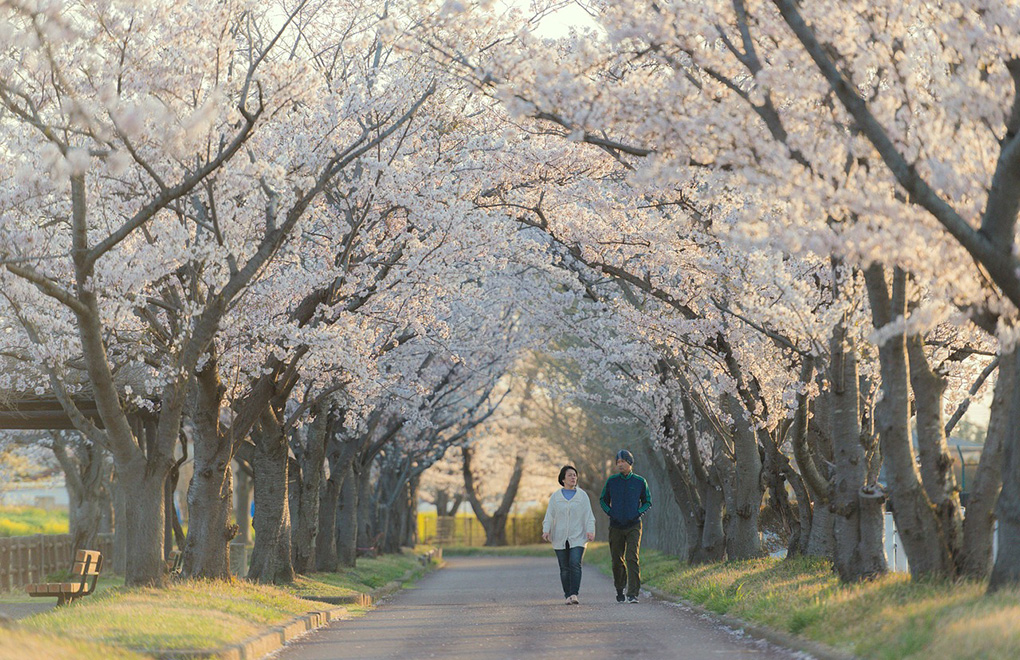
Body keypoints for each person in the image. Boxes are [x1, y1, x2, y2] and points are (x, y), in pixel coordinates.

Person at [599, 449, 651, 603]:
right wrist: (610, 512)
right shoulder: (612, 481)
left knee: (631, 557)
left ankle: (633, 593)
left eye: (623, 461)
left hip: (634, 525)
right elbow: (603, 500)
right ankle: (620, 588)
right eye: (618, 462)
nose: (620, 464)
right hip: (615, 526)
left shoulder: (640, 482)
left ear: (630, 462)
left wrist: (638, 512)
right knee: (616, 559)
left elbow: (647, 501)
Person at [542, 464, 596, 605]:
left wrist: (590, 530)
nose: (573, 477)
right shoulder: (556, 497)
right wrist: (546, 530)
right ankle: (567, 595)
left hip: (578, 536)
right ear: (563, 479)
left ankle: (574, 594)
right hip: (559, 537)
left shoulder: (582, 496)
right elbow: (549, 515)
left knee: (575, 563)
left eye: (574, 475)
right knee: (564, 568)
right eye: (570, 475)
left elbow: (589, 515)